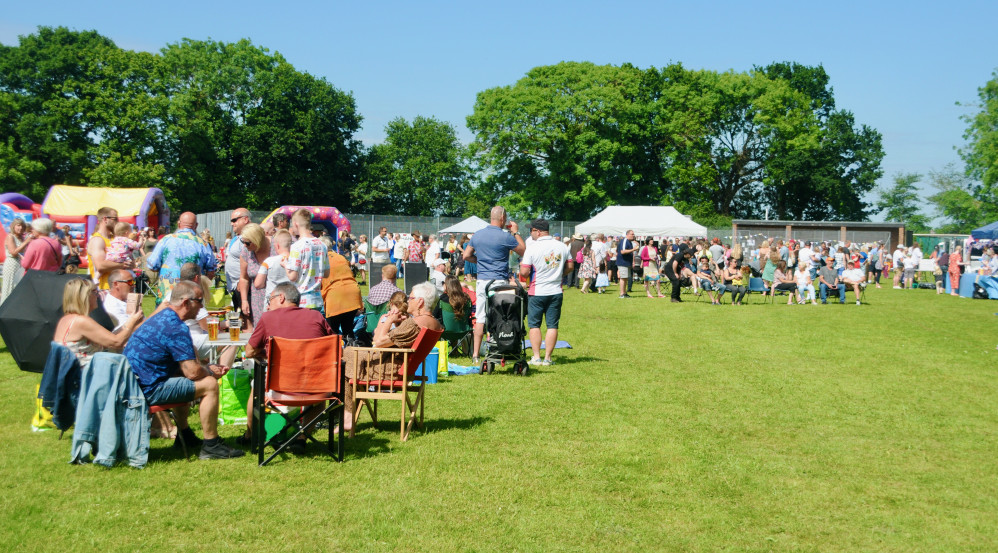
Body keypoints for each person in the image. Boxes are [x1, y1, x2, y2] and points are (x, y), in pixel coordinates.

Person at [124, 280, 244, 459]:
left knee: (185, 380)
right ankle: (211, 445)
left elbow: (187, 369)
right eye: (199, 301)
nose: (202, 307)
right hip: (147, 390)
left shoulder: (162, 317)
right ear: (186, 302)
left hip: (135, 384)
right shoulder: (176, 327)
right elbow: (193, 372)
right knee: (209, 384)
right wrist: (210, 371)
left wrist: (202, 367)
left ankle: (185, 436)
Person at [238, 283, 334, 453]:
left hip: (279, 388)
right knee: (320, 402)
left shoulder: (268, 318)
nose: (268, 304)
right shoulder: (317, 316)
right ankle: (302, 437)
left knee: (256, 391)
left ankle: (251, 436)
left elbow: (249, 350)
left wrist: (266, 353)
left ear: (281, 298)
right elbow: (333, 346)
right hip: (316, 389)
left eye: (270, 299)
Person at [342, 282, 442, 429]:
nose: (408, 301)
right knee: (350, 356)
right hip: (403, 367)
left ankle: (348, 414)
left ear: (420, 302)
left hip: (391, 370)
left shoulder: (414, 323)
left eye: (411, 297)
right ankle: (349, 414)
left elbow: (378, 341)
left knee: (347, 356)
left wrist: (389, 320)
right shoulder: (434, 323)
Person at [462, 206, 526, 365]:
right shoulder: (505, 237)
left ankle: (476, 354)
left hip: (483, 281)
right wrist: (516, 232)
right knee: (502, 315)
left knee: (480, 317)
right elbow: (523, 250)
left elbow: (466, 255)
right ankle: (501, 348)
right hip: (500, 282)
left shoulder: (478, 235)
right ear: (503, 218)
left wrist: (479, 262)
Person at [55, 277, 144, 371]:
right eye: (95, 291)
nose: (98, 296)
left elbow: (109, 338)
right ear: (84, 296)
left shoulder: (68, 319)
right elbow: (116, 342)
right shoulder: (81, 321)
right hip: (84, 378)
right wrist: (132, 322)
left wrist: (131, 323)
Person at [519, 218, 572, 366]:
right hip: (555, 290)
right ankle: (548, 358)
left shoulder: (532, 247)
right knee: (552, 325)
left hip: (537, 291)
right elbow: (570, 266)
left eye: (532, 230)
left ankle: (536, 357)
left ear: (538, 231)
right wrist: (560, 275)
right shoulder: (562, 246)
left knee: (534, 325)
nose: (531, 234)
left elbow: (524, 271)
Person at [146, 212, 217, 301]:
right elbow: (211, 271)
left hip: (167, 297)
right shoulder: (203, 244)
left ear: (178, 224)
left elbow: (152, 265)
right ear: (196, 225)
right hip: (192, 296)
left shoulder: (166, 240)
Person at [284, 209, 329, 311]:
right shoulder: (322, 244)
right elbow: (326, 273)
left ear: (295, 224)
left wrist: (285, 265)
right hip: (317, 299)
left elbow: (293, 276)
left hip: (301, 299)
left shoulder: (297, 246)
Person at [319, 236, 363, 340]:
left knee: (332, 331)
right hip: (352, 292)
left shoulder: (321, 259)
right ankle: (352, 350)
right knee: (348, 329)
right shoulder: (340, 257)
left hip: (335, 295)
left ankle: (336, 354)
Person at [236, 223, 273, 327]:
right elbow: (244, 278)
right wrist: (244, 301)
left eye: (247, 243)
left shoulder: (276, 246)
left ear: (257, 240)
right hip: (257, 299)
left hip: (277, 298)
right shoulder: (246, 251)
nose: (244, 245)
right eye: (242, 241)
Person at [87, 207, 133, 290]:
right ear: (105, 219)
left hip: (119, 288)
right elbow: (100, 266)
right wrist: (122, 264)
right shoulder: (97, 240)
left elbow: (132, 264)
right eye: (115, 219)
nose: (118, 222)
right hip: (103, 289)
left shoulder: (115, 239)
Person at [224, 208, 251, 309]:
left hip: (244, 289)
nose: (232, 223)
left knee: (246, 321)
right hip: (237, 288)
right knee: (239, 320)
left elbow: (252, 261)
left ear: (245, 219)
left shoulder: (249, 237)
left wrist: (242, 280)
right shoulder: (239, 238)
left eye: (234, 220)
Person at [254, 229, 292, 300]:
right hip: (291, 300)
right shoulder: (297, 261)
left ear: (277, 246)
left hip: (273, 300)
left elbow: (258, 284)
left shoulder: (268, 262)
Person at [2, 218, 31, 303]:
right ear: (14, 226)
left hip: (21, 265)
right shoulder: (10, 236)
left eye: (22, 226)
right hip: (12, 263)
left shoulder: (22, 237)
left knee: (18, 288)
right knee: (9, 287)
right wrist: (26, 242)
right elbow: (14, 252)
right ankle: (4, 309)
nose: (20, 228)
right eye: (18, 225)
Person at [616, 230, 638, 298]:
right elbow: (622, 251)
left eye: (633, 234)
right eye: (632, 234)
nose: (633, 235)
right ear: (627, 235)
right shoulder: (624, 241)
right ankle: (622, 294)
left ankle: (624, 293)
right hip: (623, 262)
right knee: (623, 278)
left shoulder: (629, 242)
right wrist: (633, 249)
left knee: (625, 278)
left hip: (627, 262)